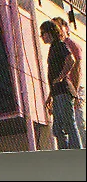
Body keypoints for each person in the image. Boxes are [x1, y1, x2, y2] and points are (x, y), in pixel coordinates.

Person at [40, 20, 82, 149]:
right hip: (57, 92)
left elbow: (71, 60)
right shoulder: (53, 48)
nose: (42, 37)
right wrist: (50, 96)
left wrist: (61, 76)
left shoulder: (60, 45)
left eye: (43, 33)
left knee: (69, 123)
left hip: (63, 91)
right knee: (57, 129)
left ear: (50, 33)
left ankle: (76, 150)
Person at [53, 17, 85, 140]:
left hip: (73, 89)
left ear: (66, 28)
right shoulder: (58, 46)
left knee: (77, 123)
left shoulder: (71, 45)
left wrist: (75, 93)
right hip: (64, 91)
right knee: (65, 125)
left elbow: (77, 69)